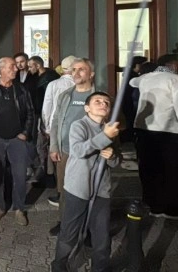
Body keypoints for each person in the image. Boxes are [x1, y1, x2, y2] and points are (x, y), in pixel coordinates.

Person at [51, 92, 120, 271]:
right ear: (87, 108)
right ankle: (58, 265)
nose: (103, 104)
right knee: (70, 232)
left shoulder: (111, 130)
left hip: (101, 190)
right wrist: (104, 137)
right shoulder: (79, 125)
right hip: (78, 187)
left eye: (106, 102)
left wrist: (112, 156)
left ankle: (100, 268)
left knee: (101, 235)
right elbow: (78, 150)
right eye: (97, 101)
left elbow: (116, 162)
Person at [130, 54, 178, 220]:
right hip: (169, 131)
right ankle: (173, 209)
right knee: (173, 170)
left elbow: (132, 82)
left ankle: (153, 205)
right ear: (173, 65)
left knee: (149, 169)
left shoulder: (145, 78)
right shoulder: (176, 80)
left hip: (144, 129)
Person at [0, 57, 35, 226]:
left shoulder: (21, 89)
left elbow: (31, 112)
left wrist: (25, 132)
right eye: (12, 66)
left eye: (16, 67)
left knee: (20, 175)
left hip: (17, 140)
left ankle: (19, 208)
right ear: (1, 69)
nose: (16, 69)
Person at [48, 58, 96, 235]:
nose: (76, 73)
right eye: (74, 69)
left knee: (89, 191)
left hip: (89, 154)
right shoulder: (65, 95)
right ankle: (64, 223)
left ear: (91, 74)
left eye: (81, 69)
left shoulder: (99, 97)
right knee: (64, 190)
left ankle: (88, 228)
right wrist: (54, 146)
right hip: (65, 152)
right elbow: (55, 121)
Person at [40, 55, 76, 205]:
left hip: (58, 128)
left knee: (59, 162)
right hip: (78, 129)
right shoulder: (81, 84)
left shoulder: (53, 84)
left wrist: (47, 128)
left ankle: (61, 193)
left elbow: (47, 107)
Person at [27, 56, 60, 183]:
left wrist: (46, 121)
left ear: (38, 65)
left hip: (46, 115)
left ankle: (48, 174)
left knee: (42, 145)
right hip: (40, 114)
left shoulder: (49, 78)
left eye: (31, 66)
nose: (29, 69)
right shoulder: (37, 77)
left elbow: (48, 101)